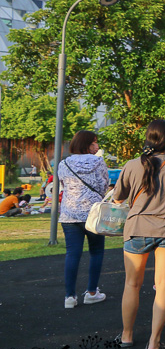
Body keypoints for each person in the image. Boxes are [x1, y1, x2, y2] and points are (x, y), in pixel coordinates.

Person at [113, 120, 165, 349]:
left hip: (136, 229)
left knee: (132, 284)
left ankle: (126, 336)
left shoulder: (131, 165)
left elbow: (118, 198)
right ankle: (154, 342)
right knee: (164, 284)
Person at [58, 131, 110, 308]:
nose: (97, 146)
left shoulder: (64, 163)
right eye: (94, 143)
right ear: (87, 145)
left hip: (69, 215)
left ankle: (69, 297)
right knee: (96, 252)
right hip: (93, 214)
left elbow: (63, 185)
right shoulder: (98, 162)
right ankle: (92, 292)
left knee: (72, 254)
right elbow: (104, 185)